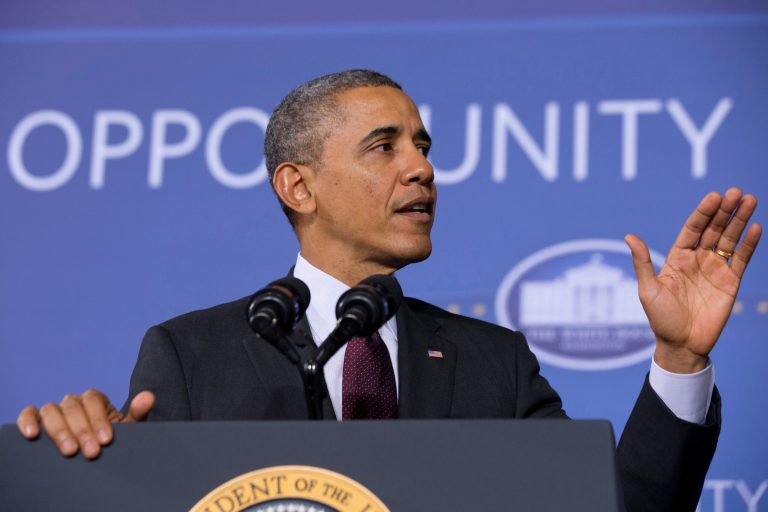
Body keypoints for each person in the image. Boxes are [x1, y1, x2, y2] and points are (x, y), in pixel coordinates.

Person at [16, 70, 761, 511]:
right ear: (298, 185)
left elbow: (613, 511)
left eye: (423, 146)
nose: (422, 168)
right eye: (385, 147)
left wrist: (677, 359)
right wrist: (81, 454)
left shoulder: (493, 362)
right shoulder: (190, 352)